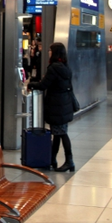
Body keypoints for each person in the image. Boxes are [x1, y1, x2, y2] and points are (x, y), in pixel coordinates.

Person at [28, 42, 77, 172]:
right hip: (64, 104)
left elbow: (44, 85)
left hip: (57, 105)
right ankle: (52, 159)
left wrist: (31, 84)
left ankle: (69, 161)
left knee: (62, 133)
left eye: (50, 50)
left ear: (54, 52)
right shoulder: (65, 67)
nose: (48, 52)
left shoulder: (53, 68)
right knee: (57, 133)